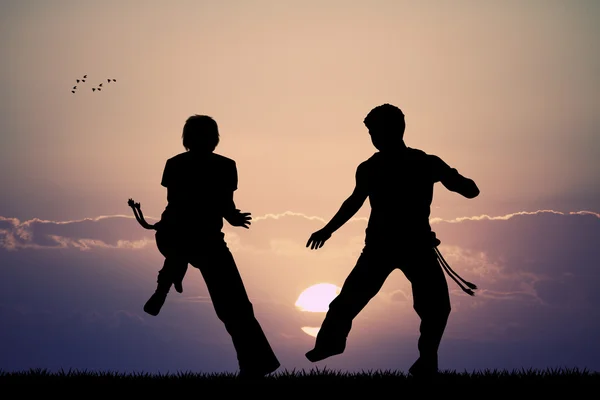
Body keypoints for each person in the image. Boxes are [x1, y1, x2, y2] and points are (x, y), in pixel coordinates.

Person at [304, 103, 480, 378]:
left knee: (435, 307)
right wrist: (328, 229)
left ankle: (426, 362)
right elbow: (354, 202)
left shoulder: (421, 163)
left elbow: (469, 190)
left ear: (395, 130)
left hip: (408, 246)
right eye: (371, 133)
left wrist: (455, 178)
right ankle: (331, 344)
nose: (374, 138)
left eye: (375, 131)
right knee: (350, 300)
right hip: (385, 246)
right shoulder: (385, 166)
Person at [144, 114, 280, 378]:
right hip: (202, 237)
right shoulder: (224, 165)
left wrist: (230, 216)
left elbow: (177, 201)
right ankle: (256, 364)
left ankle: (166, 282)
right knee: (236, 307)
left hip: (183, 234)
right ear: (214, 139)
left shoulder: (176, 164)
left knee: (234, 304)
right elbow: (223, 205)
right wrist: (233, 217)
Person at [126, 198, 188, 316]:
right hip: (170, 245)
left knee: (177, 261)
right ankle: (174, 281)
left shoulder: (170, 220)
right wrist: (135, 209)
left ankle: (173, 282)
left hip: (171, 246)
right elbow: (145, 224)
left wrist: (135, 209)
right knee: (178, 260)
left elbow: (144, 224)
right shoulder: (168, 222)